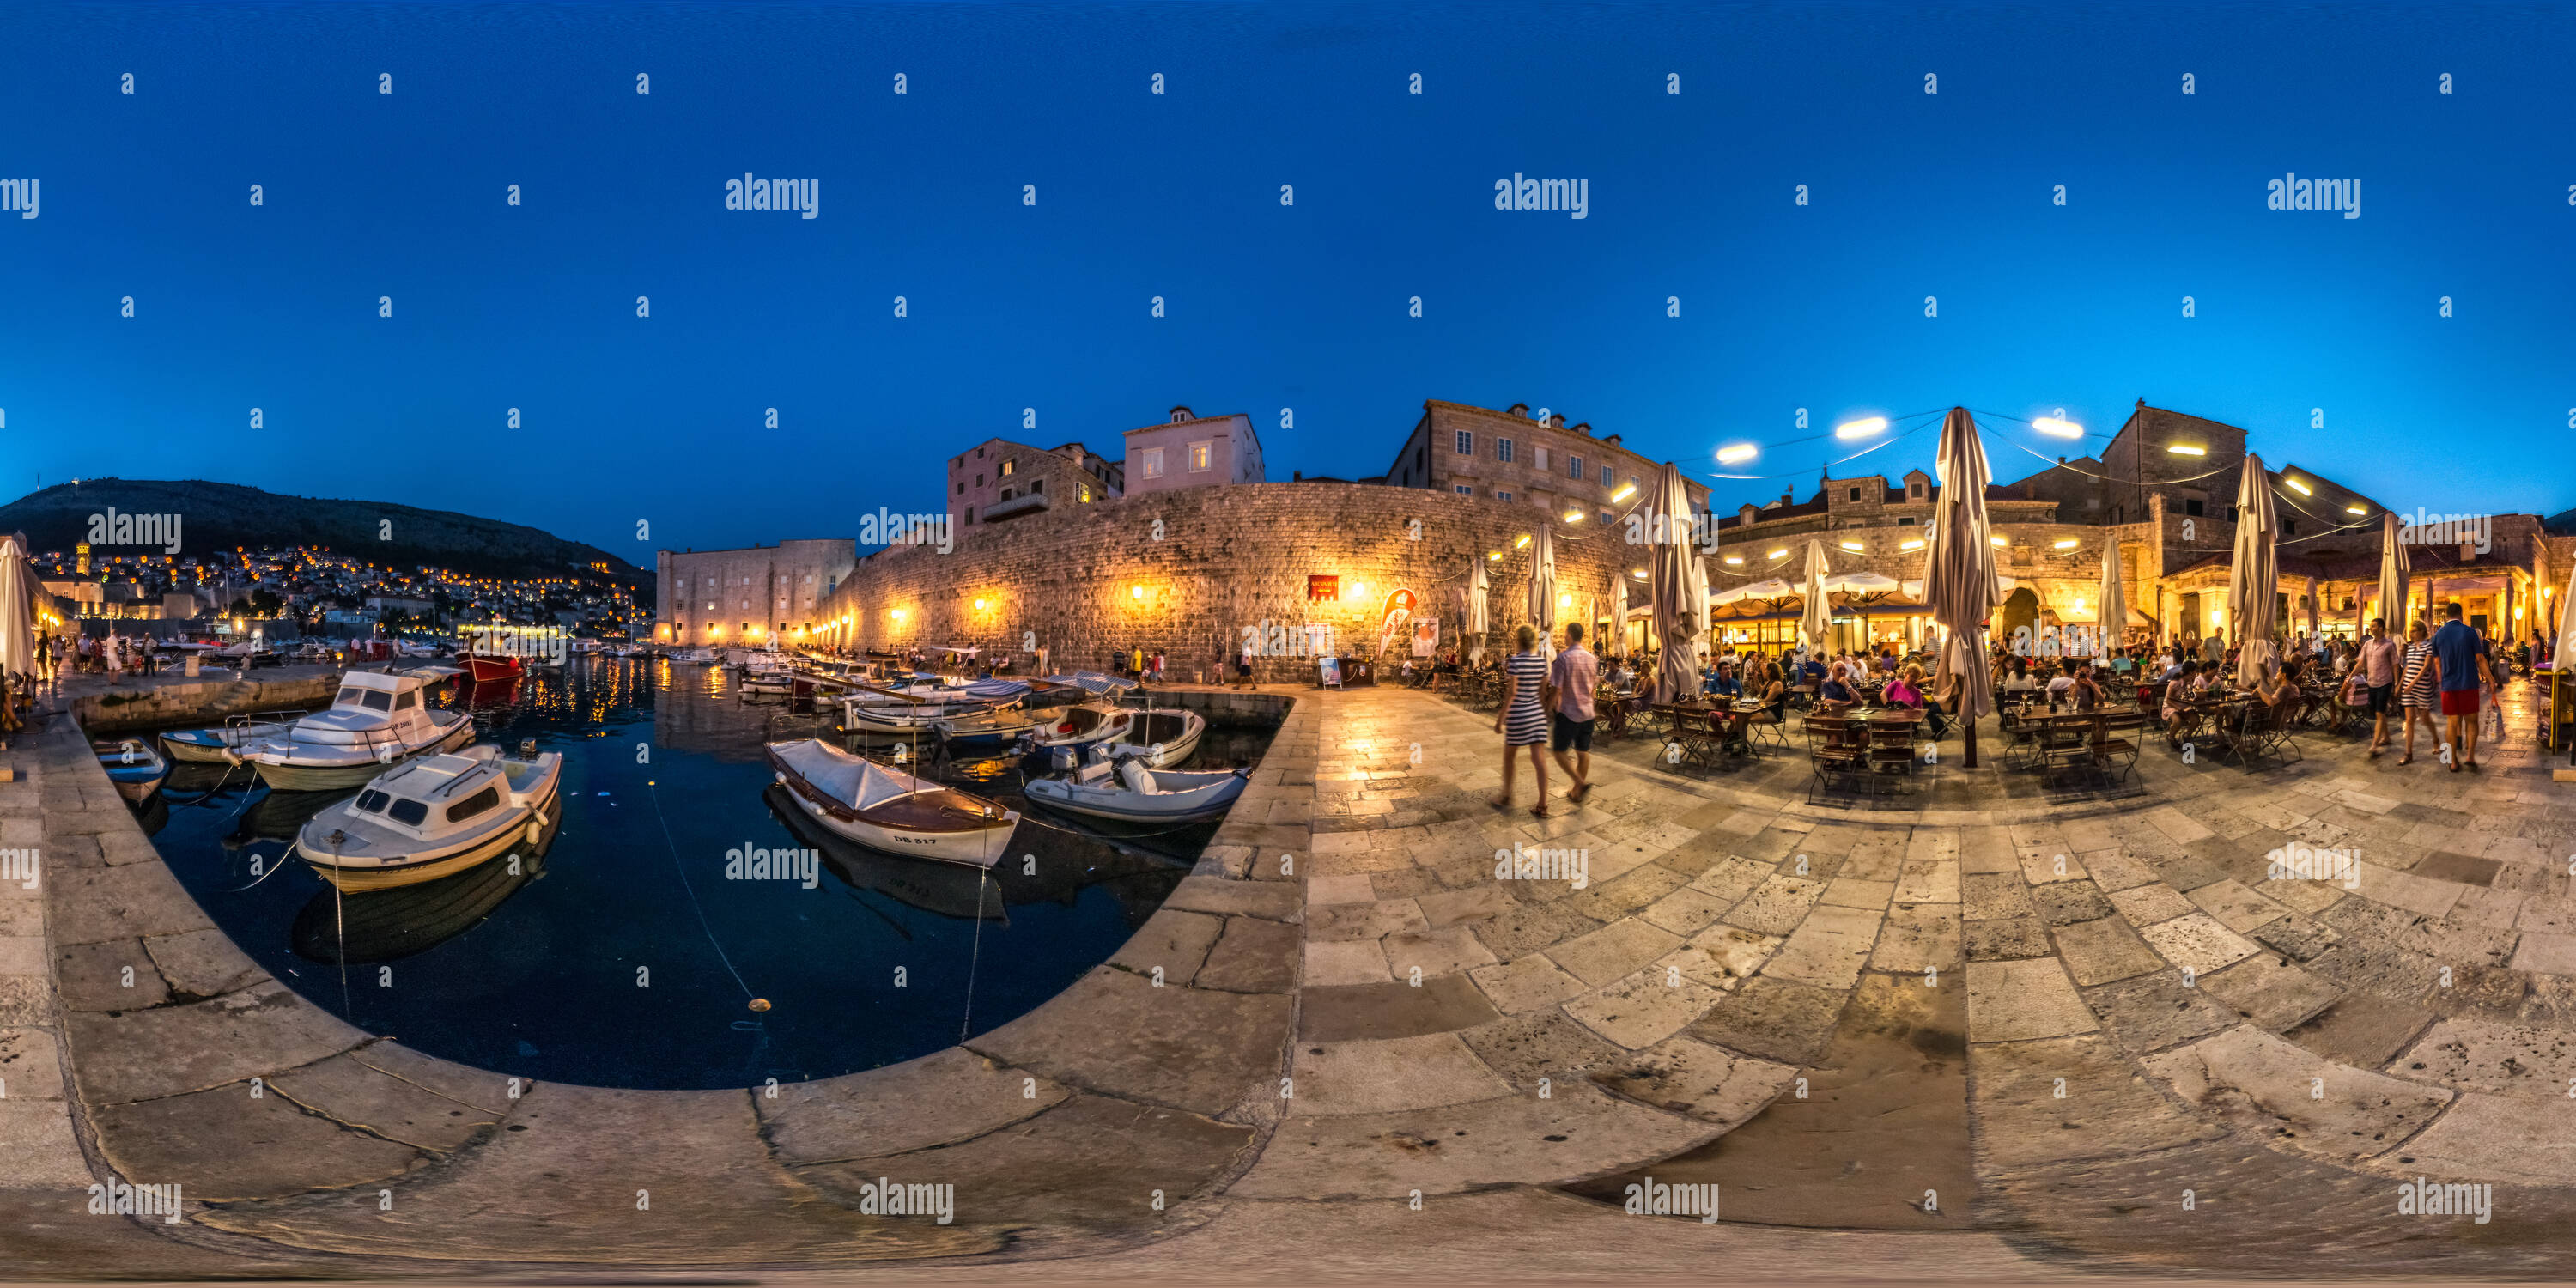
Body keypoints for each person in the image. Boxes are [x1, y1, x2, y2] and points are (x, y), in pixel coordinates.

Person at [1492, 624, 1552, 816]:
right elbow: (1543, 693)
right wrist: (1540, 713)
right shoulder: (1541, 662)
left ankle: (1506, 795)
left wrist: (1500, 718)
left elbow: (1512, 692)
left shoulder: (1516, 661)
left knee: (1509, 757)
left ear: (1519, 641)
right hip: (1537, 715)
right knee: (1539, 760)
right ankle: (1542, 804)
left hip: (1518, 714)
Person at [2428, 603, 2490, 772]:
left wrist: (2442, 682)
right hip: (2468, 682)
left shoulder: (2438, 635)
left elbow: (2437, 663)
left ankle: (2452, 761)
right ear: (2461, 614)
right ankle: (2470, 756)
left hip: (2448, 685)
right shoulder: (2469, 632)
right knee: (2471, 721)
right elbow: (2480, 659)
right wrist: (2491, 680)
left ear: (2447, 615)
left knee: (2451, 723)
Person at [1547, 623, 1598, 805]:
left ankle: (1579, 783)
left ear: (1569, 635)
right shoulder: (1592, 659)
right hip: (1588, 712)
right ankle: (1576, 793)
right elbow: (1593, 687)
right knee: (1582, 752)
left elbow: (1556, 689)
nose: (1564, 637)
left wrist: (1548, 708)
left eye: (1565, 634)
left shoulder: (1564, 658)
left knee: (1559, 751)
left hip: (1569, 712)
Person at [2357, 618, 2400, 758]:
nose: (2371, 628)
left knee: (2379, 713)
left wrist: (2396, 683)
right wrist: (2350, 675)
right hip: (2371, 682)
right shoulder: (2367, 644)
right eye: (2371, 626)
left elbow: (2395, 664)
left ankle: (2374, 744)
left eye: (2373, 626)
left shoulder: (2389, 645)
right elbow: (2361, 662)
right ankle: (2386, 737)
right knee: (2378, 713)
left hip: (2385, 682)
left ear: (2381, 628)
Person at [2397, 618, 2437, 766]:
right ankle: (2409, 754)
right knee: (2409, 720)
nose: (2411, 634)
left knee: (2425, 719)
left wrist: (2412, 684)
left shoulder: (2428, 646)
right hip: (2408, 686)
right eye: (2411, 631)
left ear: (2421, 632)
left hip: (2422, 687)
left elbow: (2426, 667)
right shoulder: (2411, 647)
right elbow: (2408, 667)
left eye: (2414, 631)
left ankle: (2435, 739)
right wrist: (2400, 684)